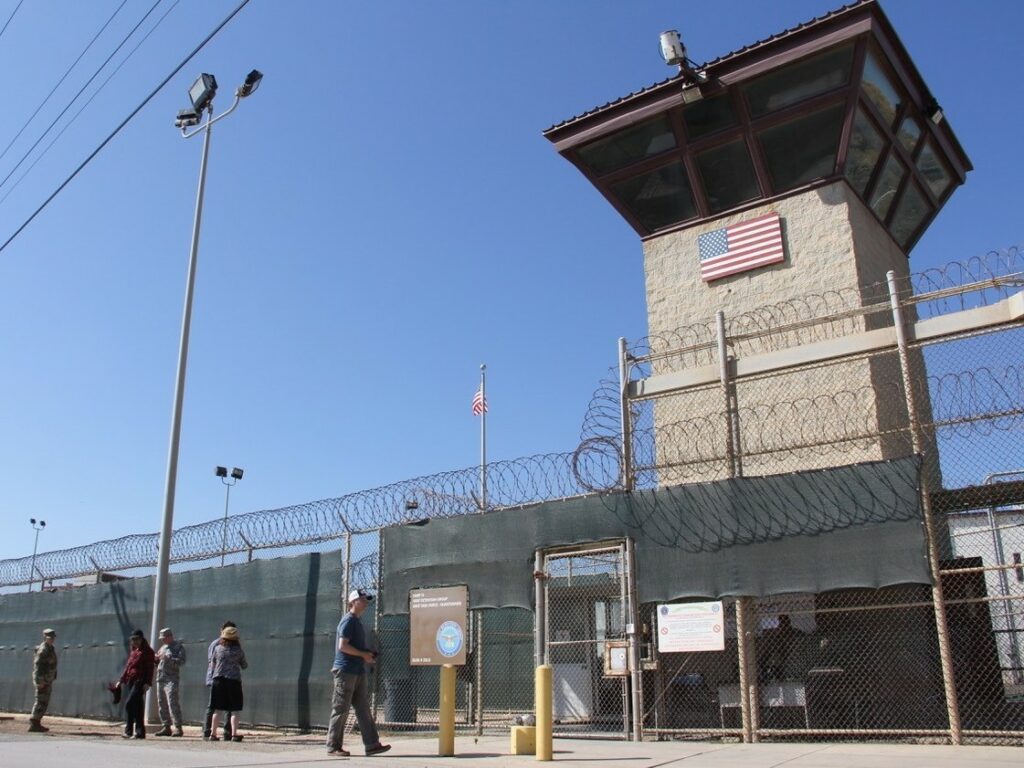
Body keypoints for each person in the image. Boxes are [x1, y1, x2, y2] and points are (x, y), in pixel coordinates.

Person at [325, 588, 390, 757]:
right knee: (341, 709)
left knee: (363, 709)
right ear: (353, 602)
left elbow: (354, 646)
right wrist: (363, 654)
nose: (366, 603)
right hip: (345, 671)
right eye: (363, 600)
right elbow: (343, 646)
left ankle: (372, 744)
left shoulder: (357, 622)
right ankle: (333, 746)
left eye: (367, 600)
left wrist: (367, 654)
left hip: (357, 671)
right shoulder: (348, 621)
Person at [208, 625, 247, 742]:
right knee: (235, 709)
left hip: (218, 680)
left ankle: (213, 734)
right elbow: (244, 665)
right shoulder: (238, 651)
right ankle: (234, 734)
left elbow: (212, 664)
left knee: (217, 709)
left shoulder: (217, 648)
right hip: (233, 681)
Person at [118, 628, 155, 739]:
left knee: (129, 704)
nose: (135, 641)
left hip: (140, 681)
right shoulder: (134, 651)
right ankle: (137, 732)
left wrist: (148, 683)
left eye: (137, 639)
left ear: (142, 639)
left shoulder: (148, 652)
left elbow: (150, 668)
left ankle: (130, 730)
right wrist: (121, 680)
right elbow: (128, 667)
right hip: (131, 680)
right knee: (138, 707)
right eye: (133, 639)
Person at [204, 621, 236, 740]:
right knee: (213, 706)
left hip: (227, 679)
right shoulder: (216, 644)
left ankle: (227, 733)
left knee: (229, 707)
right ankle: (208, 732)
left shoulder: (234, 646)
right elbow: (212, 662)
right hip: (216, 679)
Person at [154, 627, 187, 737]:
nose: (162, 640)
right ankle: (166, 726)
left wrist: (169, 659)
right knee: (161, 703)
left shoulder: (178, 647)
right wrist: (156, 659)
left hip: (171, 679)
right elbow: (158, 661)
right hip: (161, 678)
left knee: (172, 702)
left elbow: (181, 662)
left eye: (164, 638)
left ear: (170, 636)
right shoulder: (163, 647)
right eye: (161, 638)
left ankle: (178, 727)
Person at [28, 628, 58, 733]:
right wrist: (39, 681)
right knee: (40, 701)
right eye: (50, 638)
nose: (52, 640)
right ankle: (34, 722)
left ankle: (37, 722)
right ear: (45, 638)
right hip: (43, 680)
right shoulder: (43, 650)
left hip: (47, 679)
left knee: (44, 701)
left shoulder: (50, 648)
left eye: (53, 638)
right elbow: (38, 667)